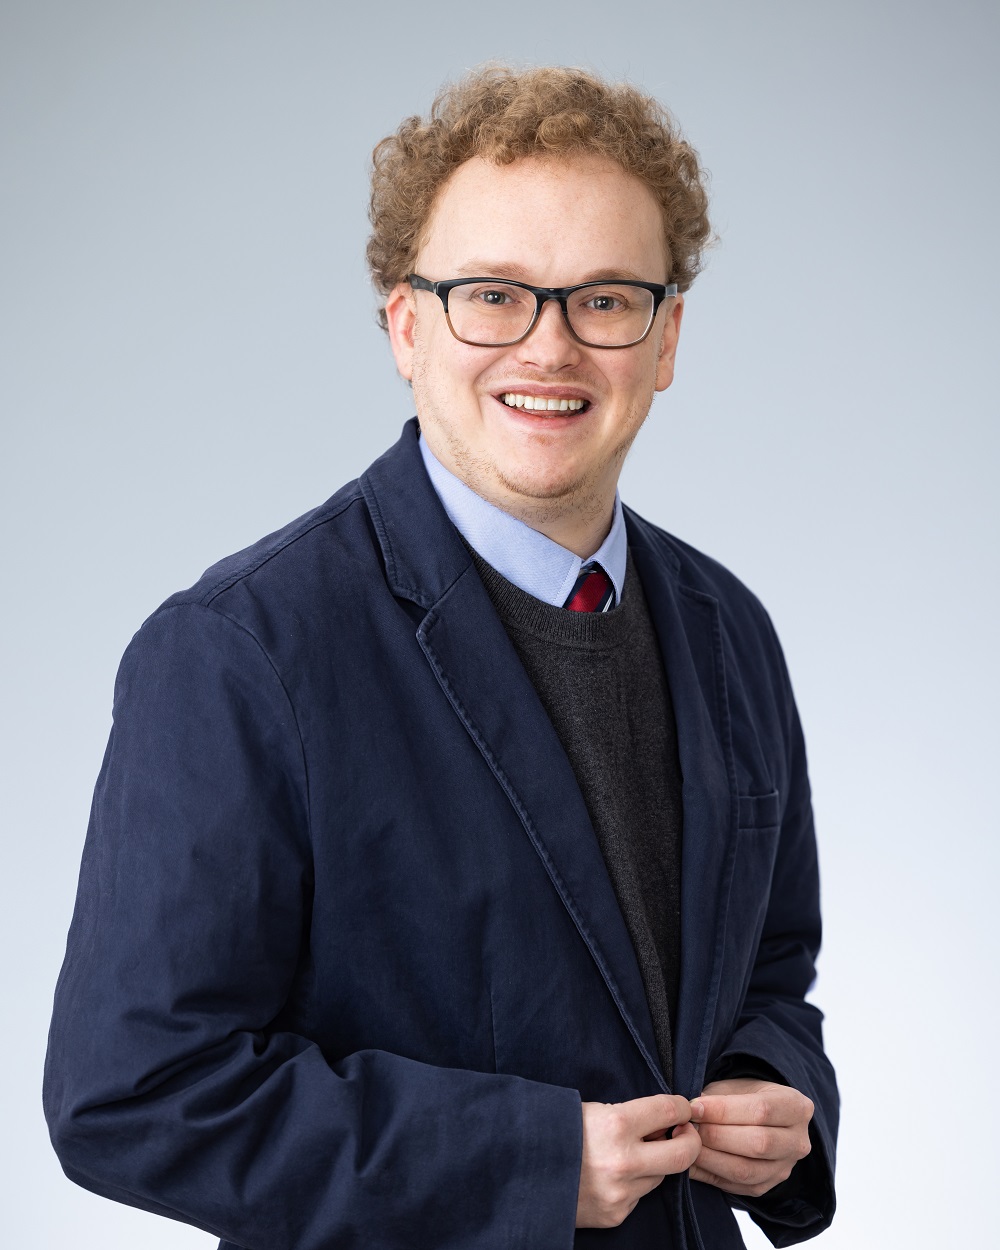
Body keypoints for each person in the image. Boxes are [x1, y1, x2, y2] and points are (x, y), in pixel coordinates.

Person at [44, 65, 838, 1249]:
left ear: (665, 339)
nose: (551, 346)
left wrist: (778, 1093)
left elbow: (771, 968)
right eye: (493, 295)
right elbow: (134, 1089)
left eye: (606, 299)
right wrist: (525, 1161)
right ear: (406, 325)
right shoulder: (238, 652)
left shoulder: (728, 629)